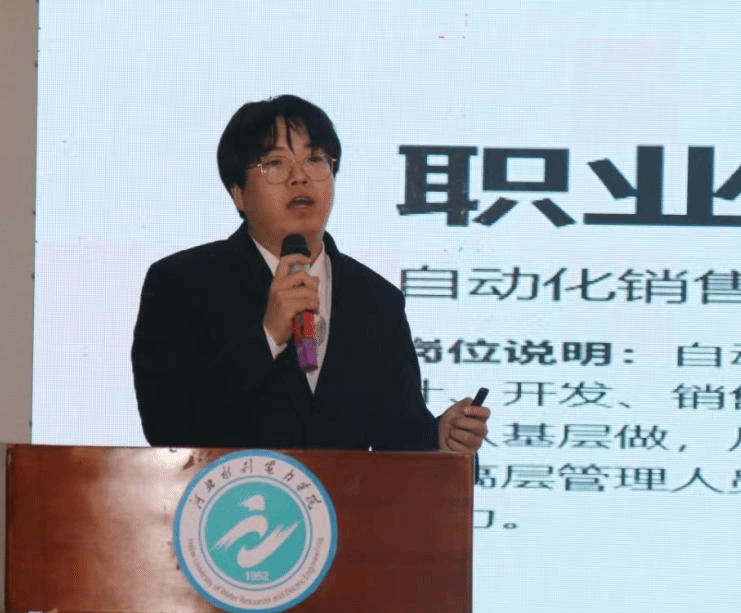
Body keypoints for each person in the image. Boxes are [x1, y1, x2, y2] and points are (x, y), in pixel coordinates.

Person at [132, 95, 489, 452]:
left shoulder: (375, 299)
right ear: (238, 193)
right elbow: (166, 426)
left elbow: (398, 441)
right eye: (275, 163)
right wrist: (269, 336)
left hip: (344, 493)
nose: (300, 177)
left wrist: (441, 442)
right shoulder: (180, 284)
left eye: (315, 159)